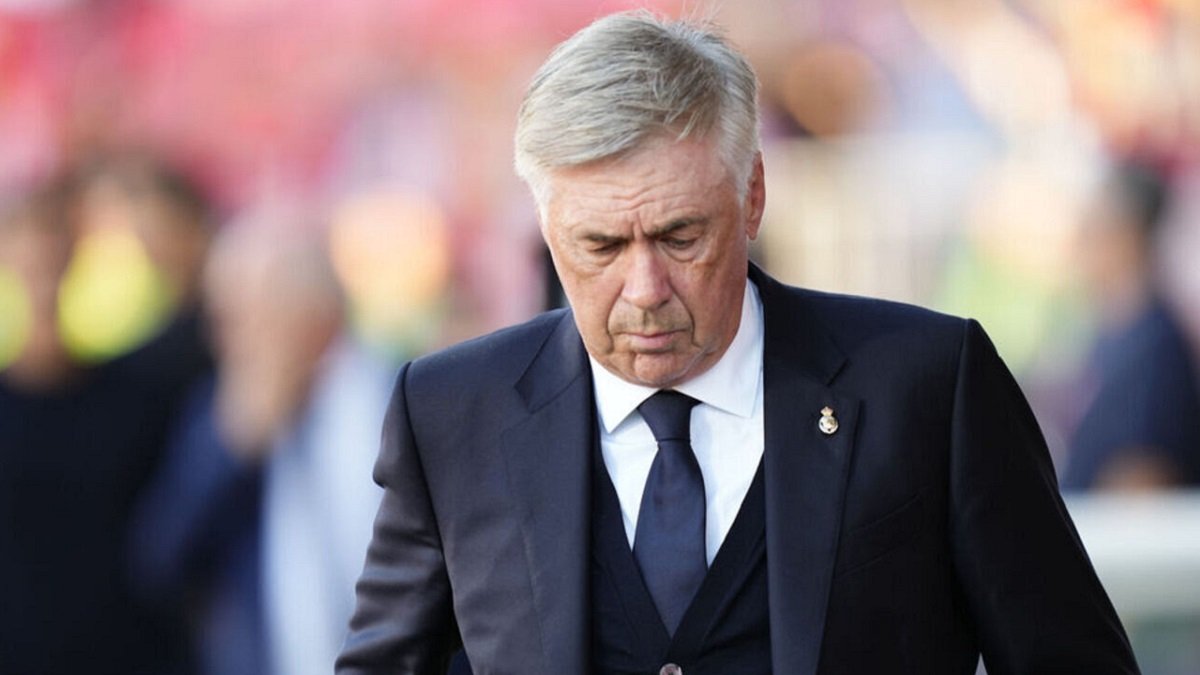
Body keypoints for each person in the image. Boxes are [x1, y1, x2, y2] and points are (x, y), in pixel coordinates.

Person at [338, 12, 1140, 674]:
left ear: (753, 194)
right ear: (547, 229)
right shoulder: (451, 414)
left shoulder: (927, 387)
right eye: (601, 246)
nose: (645, 288)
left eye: (680, 235)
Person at [1060, 161, 1200, 490]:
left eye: (1094, 229)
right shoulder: (1110, 334)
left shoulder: (1155, 347)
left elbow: (1145, 478)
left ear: (1128, 236)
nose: (1080, 243)